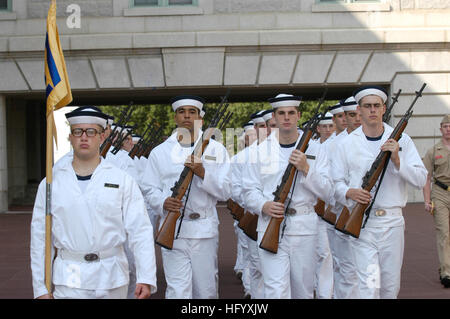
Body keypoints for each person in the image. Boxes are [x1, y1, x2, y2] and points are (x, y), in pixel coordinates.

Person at [30, 107, 157, 299]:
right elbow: (41, 237)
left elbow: (140, 230)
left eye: (91, 132)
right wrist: (40, 287)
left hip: (112, 277)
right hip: (69, 279)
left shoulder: (121, 179)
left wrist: (146, 276)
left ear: (102, 136)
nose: (84, 137)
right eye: (77, 131)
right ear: (70, 137)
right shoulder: (51, 183)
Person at [331, 86, 427, 299]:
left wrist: (397, 161)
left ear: (384, 109)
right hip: (364, 224)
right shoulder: (346, 144)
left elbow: (421, 179)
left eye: (377, 106)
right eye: (367, 106)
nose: (372, 110)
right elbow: (335, 184)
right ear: (359, 110)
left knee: (390, 287)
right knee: (369, 287)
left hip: (392, 223)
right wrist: (350, 192)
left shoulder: (403, 140)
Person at [242, 93, 333, 299]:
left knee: (303, 289)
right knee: (275, 290)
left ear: (298, 115)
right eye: (281, 113)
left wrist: (306, 169)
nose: (286, 117)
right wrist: (263, 205)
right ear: (274, 117)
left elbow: (328, 191)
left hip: (304, 226)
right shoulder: (260, 151)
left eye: (291, 113)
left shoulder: (316, 149)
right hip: (269, 223)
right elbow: (248, 191)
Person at [141, 95, 231, 299]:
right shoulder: (160, 152)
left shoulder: (217, 150)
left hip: (204, 230)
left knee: (206, 291)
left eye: (192, 112)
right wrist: (163, 201)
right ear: (175, 118)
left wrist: (203, 173)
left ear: (200, 118)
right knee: (177, 291)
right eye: (182, 112)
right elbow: (148, 188)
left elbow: (226, 191)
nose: (187, 116)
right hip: (173, 229)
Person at [328, 96, 362, 299]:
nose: (357, 119)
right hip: (342, 211)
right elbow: (329, 183)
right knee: (345, 267)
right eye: (351, 115)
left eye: (359, 114)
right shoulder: (333, 145)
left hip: (369, 214)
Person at [422, 114, 450, 288]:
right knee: (444, 233)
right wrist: (427, 200)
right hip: (440, 193)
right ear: (441, 129)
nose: (448, 129)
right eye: (445, 126)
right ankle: (447, 272)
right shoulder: (433, 151)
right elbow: (426, 177)